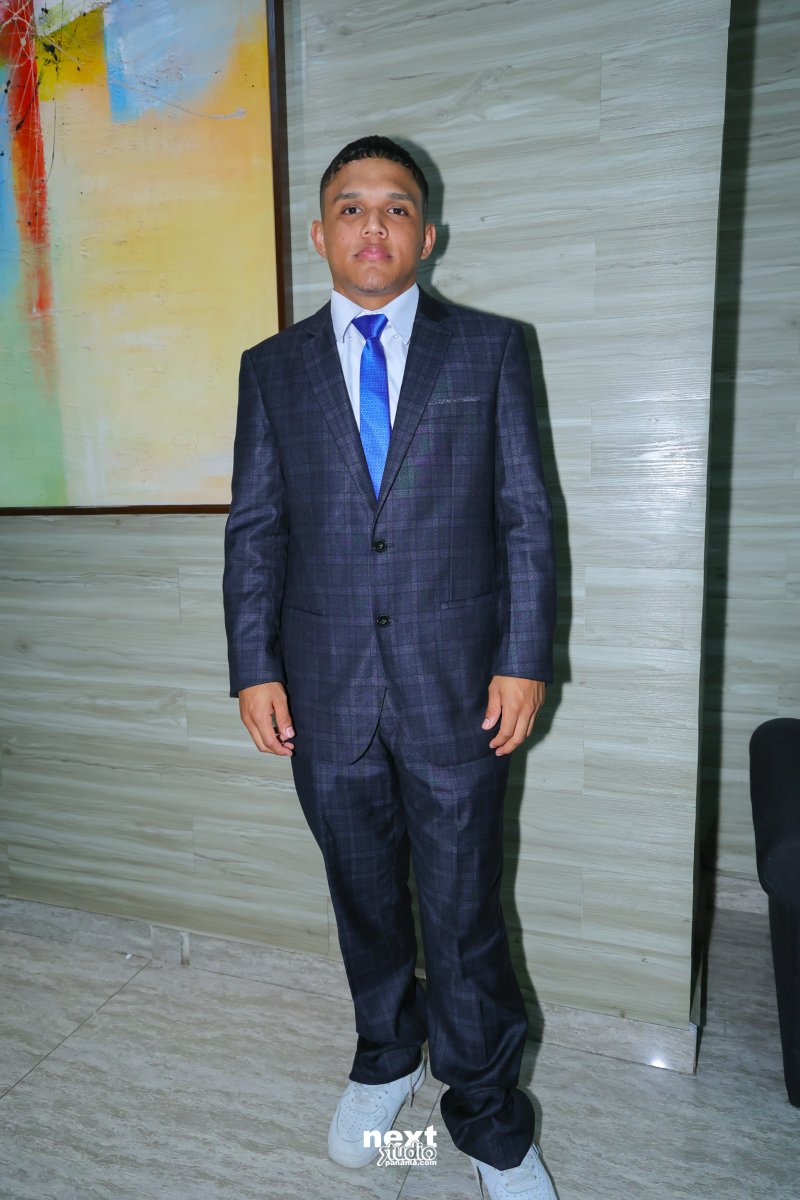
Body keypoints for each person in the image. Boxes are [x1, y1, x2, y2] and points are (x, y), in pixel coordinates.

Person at [222, 135, 558, 1200]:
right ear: (319, 234)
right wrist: (252, 666)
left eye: (396, 207)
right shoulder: (272, 368)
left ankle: (489, 1122)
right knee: (362, 899)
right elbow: (256, 529)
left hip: (460, 691)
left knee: (463, 915)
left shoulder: (490, 350)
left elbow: (525, 516)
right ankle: (384, 1056)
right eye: (351, 208)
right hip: (321, 692)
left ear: (427, 233)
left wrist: (522, 657)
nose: (373, 224)